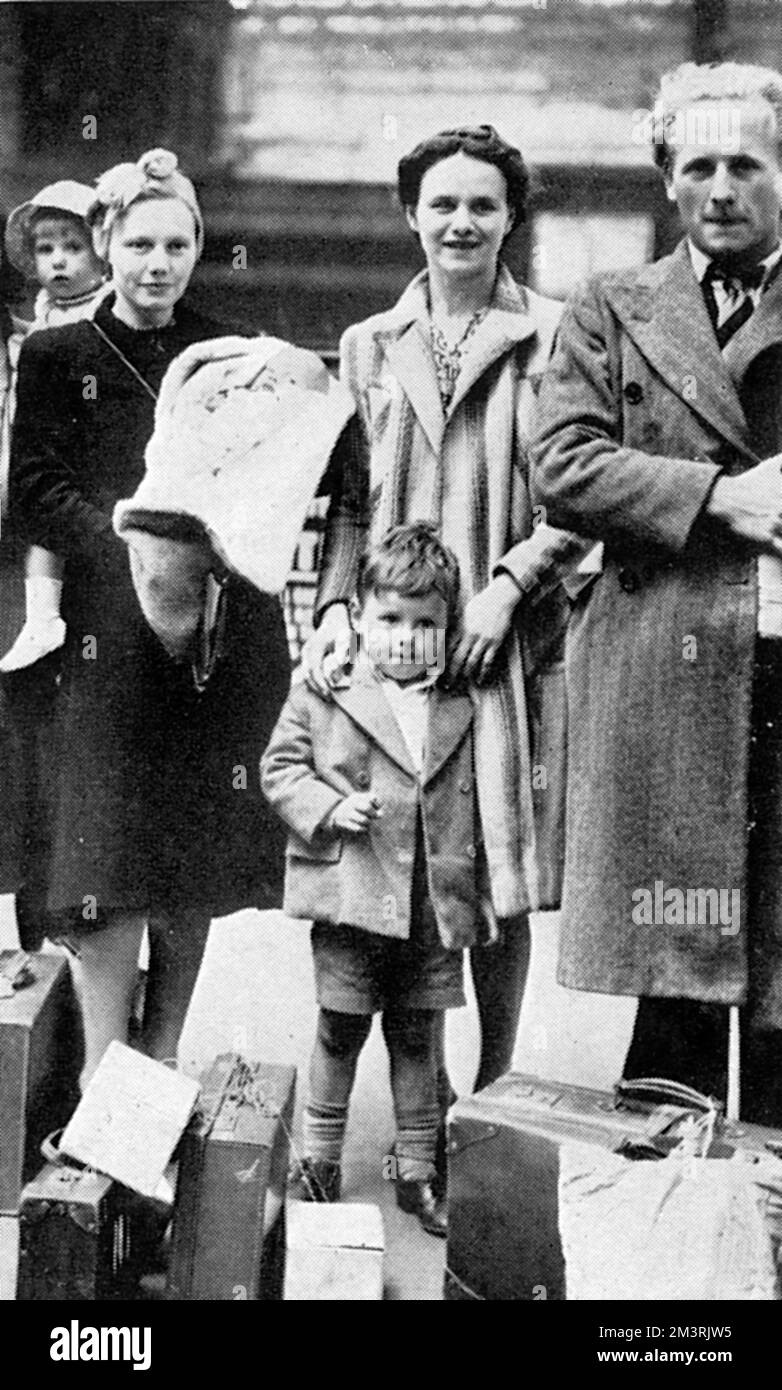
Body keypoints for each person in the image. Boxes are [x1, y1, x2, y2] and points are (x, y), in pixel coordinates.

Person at [307, 125, 591, 1107]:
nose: (461, 221)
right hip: (387, 648)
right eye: (443, 204)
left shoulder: (555, 336)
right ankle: (406, 1106)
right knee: (392, 862)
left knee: (494, 867)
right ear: (411, 215)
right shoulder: (366, 345)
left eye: (482, 203)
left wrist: (507, 586)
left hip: (496, 647)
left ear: (510, 216)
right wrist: (337, 606)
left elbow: (580, 498)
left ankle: (496, 1089)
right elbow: (343, 501)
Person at [6, 148, 291, 1089]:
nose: (157, 263)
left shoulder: (228, 352)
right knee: (106, 847)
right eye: (138, 244)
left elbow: (263, 476)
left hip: (212, 629)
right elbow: (36, 488)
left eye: (177, 244)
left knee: (191, 852)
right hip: (106, 629)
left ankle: (161, 1054)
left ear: (199, 248)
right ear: (104, 245)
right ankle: (100, 1070)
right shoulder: (59, 354)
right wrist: (123, 545)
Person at [531, 62, 782, 1124]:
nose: (720, 187)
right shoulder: (610, 307)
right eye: (697, 167)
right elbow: (561, 465)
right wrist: (723, 498)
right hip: (665, 664)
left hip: (775, 656)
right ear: (666, 182)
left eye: (745, 164)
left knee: (776, 970)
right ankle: (660, 1247)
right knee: (672, 969)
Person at [263, 522, 481, 1237]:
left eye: (427, 624)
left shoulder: (461, 700)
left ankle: (417, 1172)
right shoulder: (327, 690)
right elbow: (280, 769)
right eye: (390, 620)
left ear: (449, 628)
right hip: (352, 896)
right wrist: (329, 808)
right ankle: (319, 1159)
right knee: (340, 1029)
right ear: (357, 618)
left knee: (420, 1037)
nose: (407, 639)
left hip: (428, 905)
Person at [1, 181, 110, 673]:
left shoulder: (107, 306)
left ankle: (47, 618)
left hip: (87, 442)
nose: (58, 262)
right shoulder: (45, 312)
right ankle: (42, 617)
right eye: (46, 250)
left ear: (103, 254)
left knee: (55, 517)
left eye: (73, 248)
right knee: (39, 520)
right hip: (45, 442)